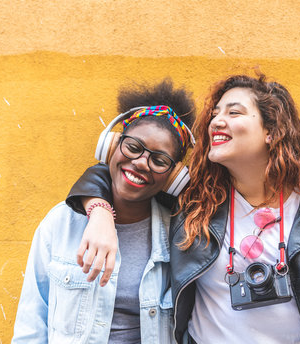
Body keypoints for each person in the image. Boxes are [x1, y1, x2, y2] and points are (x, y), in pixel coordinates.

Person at [69, 73, 300, 343]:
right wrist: (99, 212)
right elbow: (116, 173)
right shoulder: (193, 201)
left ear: (271, 131)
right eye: (216, 113)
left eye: (234, 112)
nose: (217, 120)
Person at [11, 79, 196, 343]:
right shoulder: (61, 223)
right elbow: (31, 324)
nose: (141, 163)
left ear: (173, 176)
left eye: (159, 160)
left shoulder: (180, 235)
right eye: (133, 147)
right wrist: (98, 210)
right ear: (111, 146)